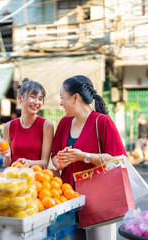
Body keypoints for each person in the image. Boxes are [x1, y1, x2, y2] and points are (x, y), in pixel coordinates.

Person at [51, 75, 126, 240]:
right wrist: (60, 161)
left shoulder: (103, 122)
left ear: (76, 97)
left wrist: (84, 157)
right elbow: (55, 156)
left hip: (98, 203)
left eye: (63, 98)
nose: (61, 103)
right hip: (68, 201)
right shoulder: (64, 123)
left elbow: (118, 158)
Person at [0, 78, 54, 169]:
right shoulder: (8, 126)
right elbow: (7, 163)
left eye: (40, 99)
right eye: (33, 97)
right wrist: (7, 156)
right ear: (20, 97)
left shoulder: (46, 126)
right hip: (15, 179)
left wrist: (28, 163)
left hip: (38, 179)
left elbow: (45, 162)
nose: (36, 102)